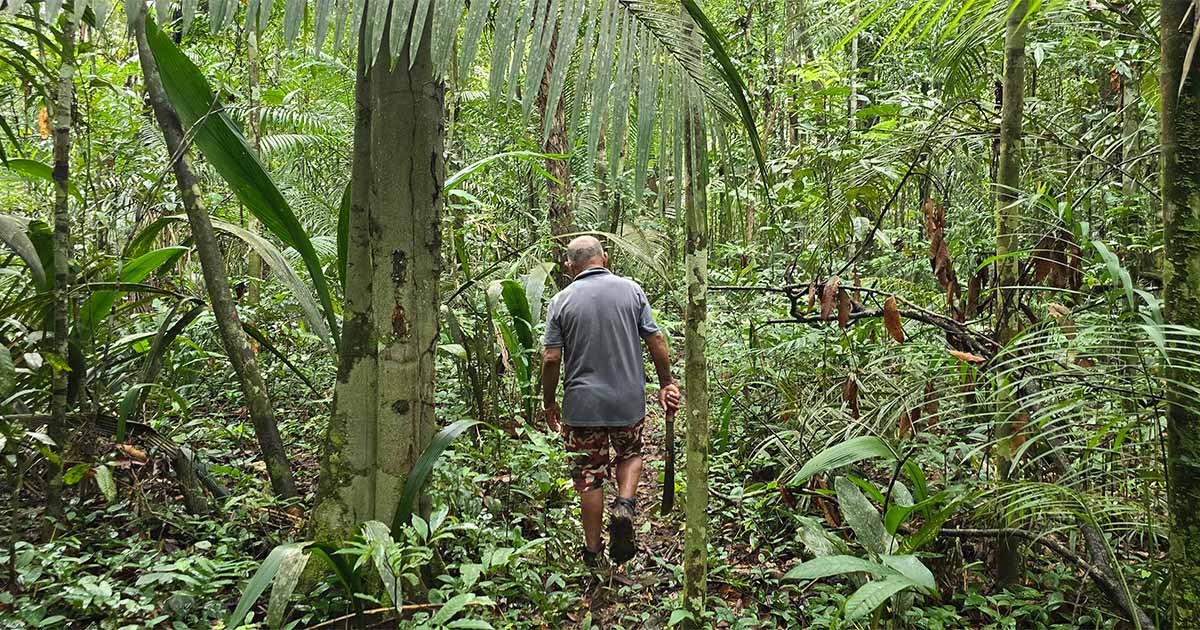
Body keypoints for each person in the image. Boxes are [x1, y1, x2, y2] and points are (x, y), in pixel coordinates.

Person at [541, 235, 682, 567]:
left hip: (581, 407)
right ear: (604, 258)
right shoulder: (631, 290)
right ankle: (626, 505)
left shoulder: (560, 300)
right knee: (631, 453)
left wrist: (549, 403)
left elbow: (550, 358)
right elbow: (656, 338)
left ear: (568, 267)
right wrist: (666, 383)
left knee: (589, 475)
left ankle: (593, 553)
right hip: (626, 403)